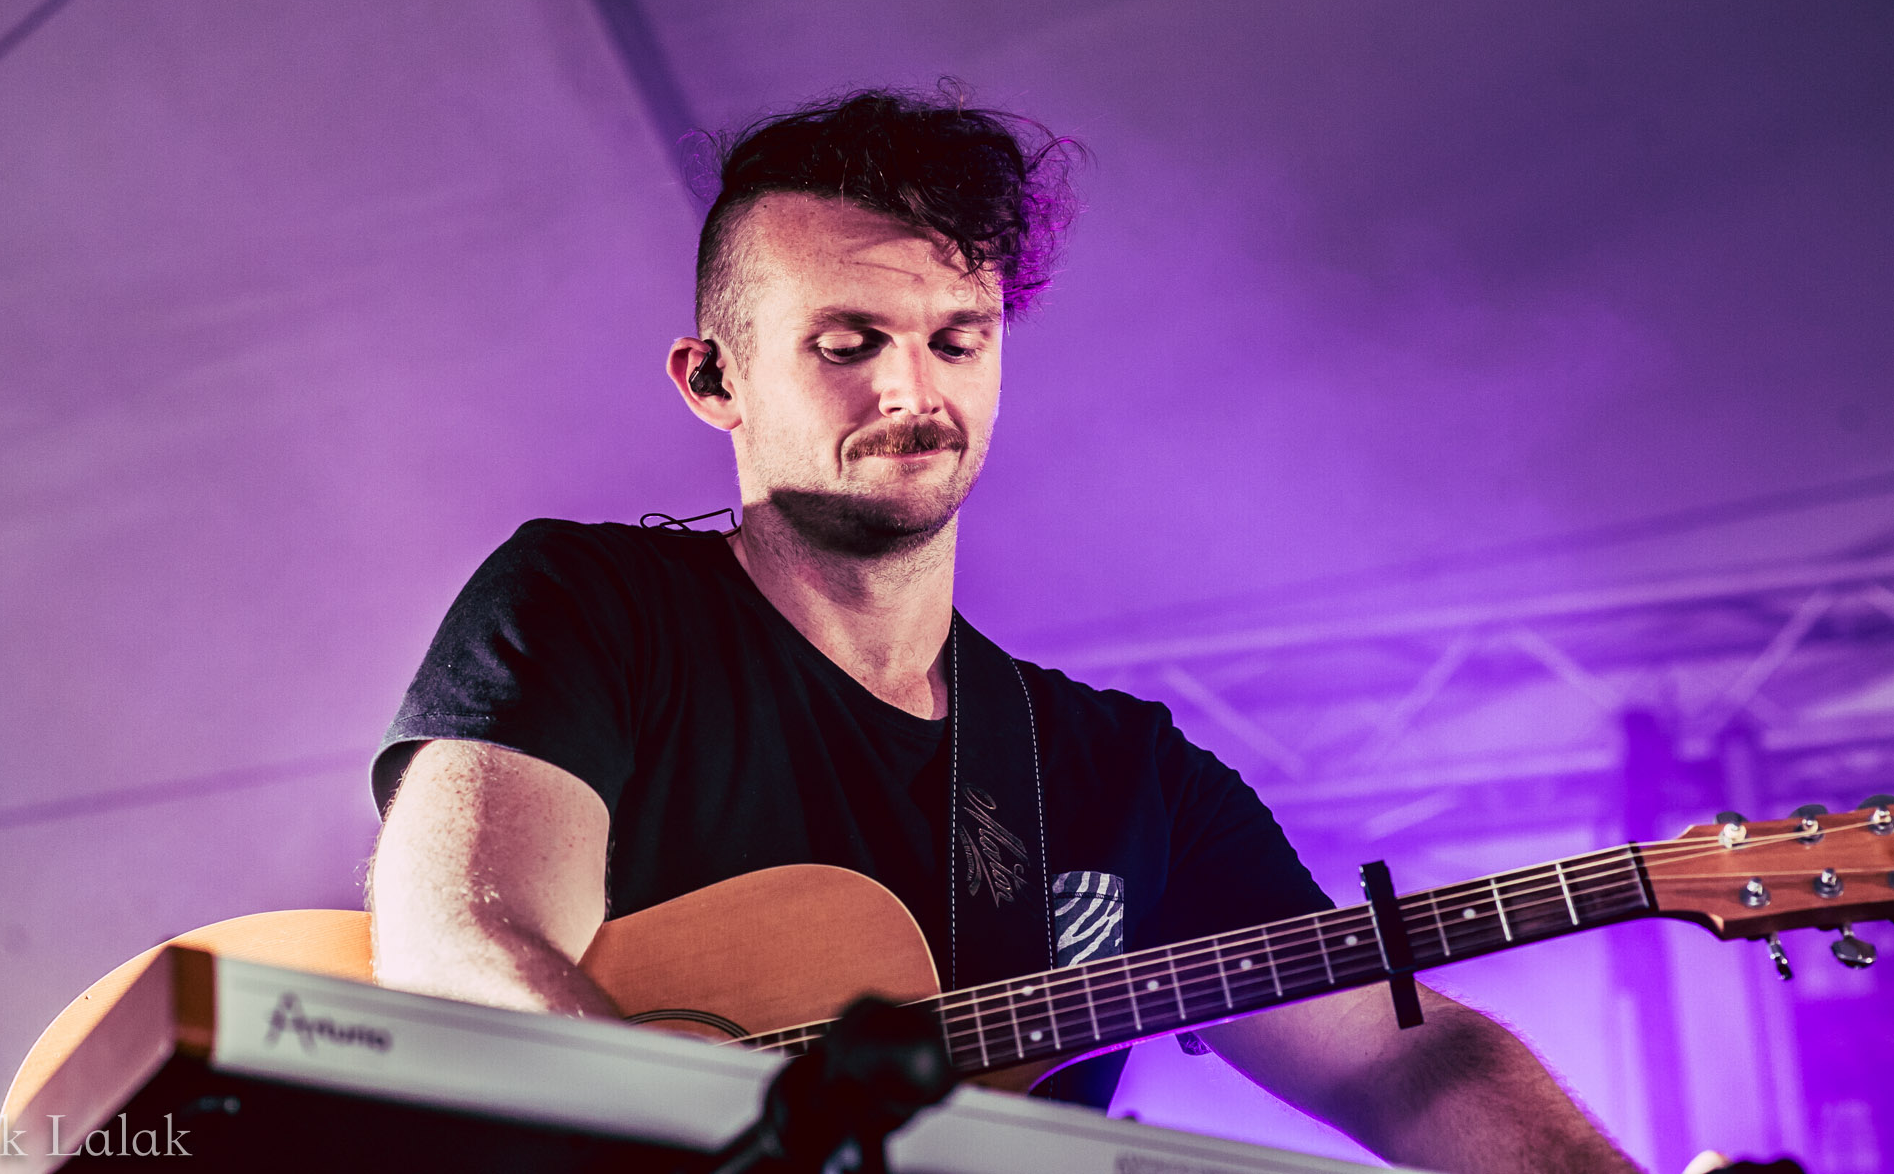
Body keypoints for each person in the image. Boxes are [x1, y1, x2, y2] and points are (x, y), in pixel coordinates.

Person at [367, 88, 1640, 1173]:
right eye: (847, 343)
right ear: (715, 378)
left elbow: (1396, 1053)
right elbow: (461, 945)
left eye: (956, 341)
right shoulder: (591, 604)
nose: (910, 388)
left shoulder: (1122, 777)